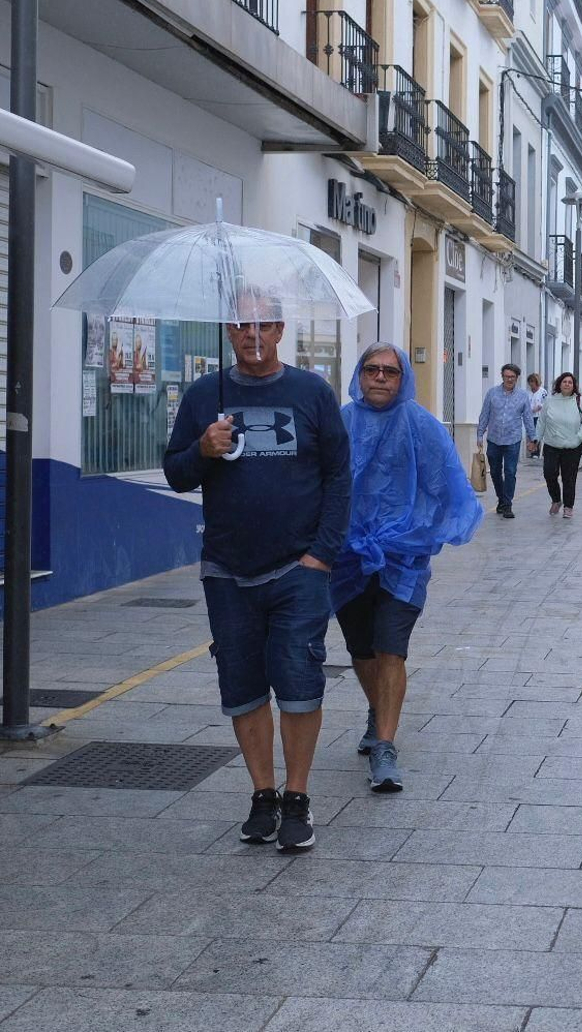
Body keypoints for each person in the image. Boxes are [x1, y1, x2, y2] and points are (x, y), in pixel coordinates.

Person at [163, 294, 350, 852]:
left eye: (263, 324)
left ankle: (298, 799)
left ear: (280, 330)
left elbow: (340, 478)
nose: (252, 334)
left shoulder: (312, 392)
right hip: (227, 570)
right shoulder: (204, 395)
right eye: (241, 324)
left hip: (299, 567)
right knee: (242, 687)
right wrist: (203, 448)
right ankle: (262, 795)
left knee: (298, 683)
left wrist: (322, 555)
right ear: (228, 331)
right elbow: (176, 474)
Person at [335, 343, 482, 793]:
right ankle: (377, 709)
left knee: (390, 646)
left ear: (403, 379)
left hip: (403, 559)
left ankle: (384, 746)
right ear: (359, 376)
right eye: (371, 370)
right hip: (348, 557)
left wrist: (418, 530)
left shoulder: (421, 425)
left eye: (390, 372)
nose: (380, 378)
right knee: (361, 649)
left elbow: (448, 486)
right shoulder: (341, 423)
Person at [477, 364, 537, 518]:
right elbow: (485, 414)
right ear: (502, 377)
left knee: (510, 471)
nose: (509, 379)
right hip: (494, 439)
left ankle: (507, 504)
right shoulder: (492, 393)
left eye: (512, 377)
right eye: (507, 376)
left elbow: (528, 418)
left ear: (517, 378)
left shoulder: (523, 396)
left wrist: (533, 438)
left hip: (513, 439)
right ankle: (501, 499)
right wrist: (479, 434)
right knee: (496, 472)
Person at [540, 372, 582, 518]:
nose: (567, 384)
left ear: (573, 385)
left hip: (572, 447)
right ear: (559, 384)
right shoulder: (550, 401)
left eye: (570, 382)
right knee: (549, 474)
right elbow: (542, 422)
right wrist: (535, 440)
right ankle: (556, 500)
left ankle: (568, 506)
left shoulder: (579, 401)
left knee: (569, 478)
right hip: (551, 445)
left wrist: (579, 438)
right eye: (564, 382)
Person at [527, 373, 548, 457]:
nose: (531, 383)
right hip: (530, 416)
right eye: (530, 381)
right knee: (531, 433)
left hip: (539, 416)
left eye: (533, 381)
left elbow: (546, 403)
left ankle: (536, 451)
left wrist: (540, 407)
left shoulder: (543, 392)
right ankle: (533, 450)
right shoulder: (527, 393)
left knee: (537, 433)